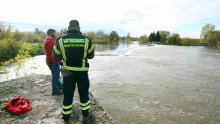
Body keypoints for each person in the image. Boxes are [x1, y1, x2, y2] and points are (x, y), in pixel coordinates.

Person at [53, 20, 95, 123]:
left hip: (67, 73)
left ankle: (66, 117)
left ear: (68, 27)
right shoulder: (86, 40)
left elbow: (56, 56)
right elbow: (91, 55)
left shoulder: (60, 40)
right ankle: (85, 115)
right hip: (82, 73)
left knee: (67, 94)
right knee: (84, 94)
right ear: (79, 27)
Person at [44, 29, 63, 95]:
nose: (56, 34)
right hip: (53, 62)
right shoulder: (50, 42)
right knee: (55, 76)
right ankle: (55, 90)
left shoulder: (47, 39)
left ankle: (59, 86)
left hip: (50, 61)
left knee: (55, 75)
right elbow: (58, 51)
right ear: (51, 33)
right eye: (55, 33)